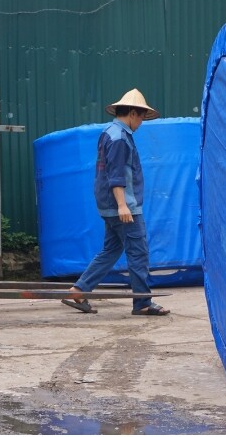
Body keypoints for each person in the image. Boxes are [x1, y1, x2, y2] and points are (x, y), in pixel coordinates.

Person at [62, 88, 170, 316]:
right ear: (132, 113)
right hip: (124, 206)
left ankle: (78, 290)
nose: (141, 123)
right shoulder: (120, 138)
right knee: (138, 252)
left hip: (109, 205)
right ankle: (142, 303)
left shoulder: (108, 132)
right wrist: (123, 205)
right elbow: (117, 175)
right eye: (141, 117)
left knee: (111, 250)